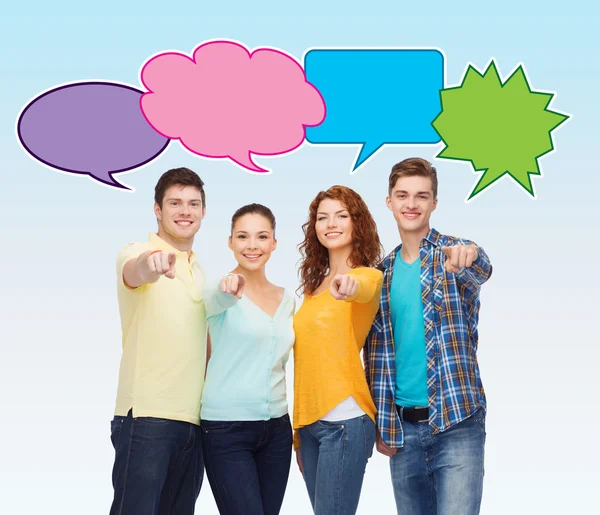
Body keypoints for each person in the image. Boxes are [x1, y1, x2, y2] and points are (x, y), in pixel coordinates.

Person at [365, 157, 493, 515]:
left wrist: (469, 256)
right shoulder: (381, 275)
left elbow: (481, 267)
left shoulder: (453, 253)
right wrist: (382, 423)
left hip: (458, 422)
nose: (412, 204)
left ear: (434, 203)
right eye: (403, 195)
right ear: (389, 201)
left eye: (421, 196)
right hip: (403, 430)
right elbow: (377, 357)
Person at [109, 167, 208, 515]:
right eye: (175, 203)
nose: (185, 211)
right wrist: (151, 264)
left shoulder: (202, 272)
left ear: (203, 212)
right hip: (147, 418)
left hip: (193, 423)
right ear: (157, 209)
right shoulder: (138, 251)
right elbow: (135, 271)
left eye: (193, 203)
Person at [293, 185, 384, 515]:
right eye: (322, 217)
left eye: (341, 216)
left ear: (356, 223)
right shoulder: (312, 288)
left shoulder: (368, 277)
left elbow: (362, 288)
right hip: (310, 425)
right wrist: (299, 433)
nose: (331, 223)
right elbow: (306, 362)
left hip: (346, 421)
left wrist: (349, 285)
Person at [201, 204, 295, 515]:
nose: (252, 245)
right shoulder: (219, 292)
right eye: (243, 236)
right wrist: (227, 286)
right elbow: (216, 296)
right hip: (227, 429)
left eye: (261, 236)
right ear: (230, 242)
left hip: (278, 431)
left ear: (274, 243)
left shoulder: (288, 300)